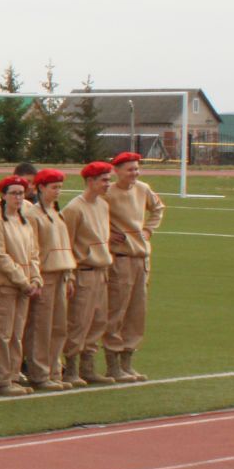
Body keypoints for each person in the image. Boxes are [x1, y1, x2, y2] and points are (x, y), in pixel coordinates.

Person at [103, 151, 164, 382]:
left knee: (137, 312)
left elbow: (158, 208)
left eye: (137, 169)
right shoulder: (108, 193)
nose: (134, 173)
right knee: (117, 311)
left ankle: (128, 360)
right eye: (130, 169)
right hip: (120, 259)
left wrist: (149, 230)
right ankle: (113, 363)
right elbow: (95, 215)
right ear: (116, 171)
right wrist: (108, 234)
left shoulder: (143, 189)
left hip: (141, 258)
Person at [0, 176, 41, 397]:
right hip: (4, 286)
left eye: (21, 193)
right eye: (13, 193)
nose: (18, 197)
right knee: (2, 334)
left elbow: (34, 253)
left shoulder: (24, 221)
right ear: (3, 196)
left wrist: (35, 279)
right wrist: (23, 280)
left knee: (17, 334)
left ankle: (13, 375)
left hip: (23, 287)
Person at [61, 161, 116, 386]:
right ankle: (71, 367)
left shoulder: (103, 205)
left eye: (108, 179)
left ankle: (88, 365)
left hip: (101, 271)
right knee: (78, 321)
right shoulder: (74, 209)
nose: (108, 184)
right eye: (104, 180)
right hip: (83, 271)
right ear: (90, 182)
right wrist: (70, 274)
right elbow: (67, 242)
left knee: (98, 320)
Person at [23, 169, 76, 391]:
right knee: (40, 327)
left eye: (59, 187)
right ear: (40, 188)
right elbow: (32, 248)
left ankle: (55, 369)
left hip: (61, 273)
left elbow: (66, 245)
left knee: (58, 326)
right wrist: (35, 277)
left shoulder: (56, 213)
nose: (57, 191)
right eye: (53, 187)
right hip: (45, 275)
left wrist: (70, 274)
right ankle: (39, 371)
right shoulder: (33, 215)